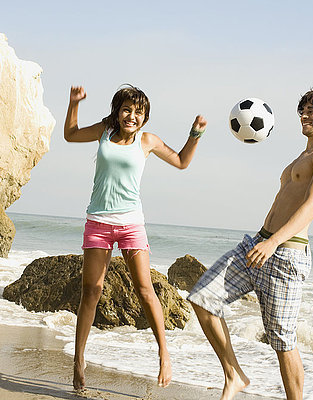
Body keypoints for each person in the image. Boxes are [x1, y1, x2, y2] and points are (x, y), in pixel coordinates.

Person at [187, 88, 313, 400]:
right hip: (257, 244)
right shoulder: (302, 157)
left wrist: (274, 242)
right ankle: (234, 375)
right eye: (303, 108)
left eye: (312, 110)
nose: (304, 114)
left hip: (285, 254)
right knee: (203, 298)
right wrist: (266, 241)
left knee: (282, 340)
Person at [64, 84, 207, 390]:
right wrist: (73, 103)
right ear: (117, 111)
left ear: (145, 117)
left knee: (145, 290)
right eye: (127, 110)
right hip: (98, 222)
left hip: (131, 224)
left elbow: (182, 161)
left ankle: (164, 355)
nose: (132, 116)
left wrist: (194, 135)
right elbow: (71, 134)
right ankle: (78, 360)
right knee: (92, 290)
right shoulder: (104, 131)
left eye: (138, 112)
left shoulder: (147, 141)